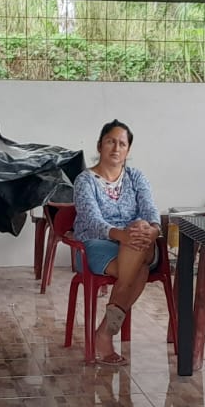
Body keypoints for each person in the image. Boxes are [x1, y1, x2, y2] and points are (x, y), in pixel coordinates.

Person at [71, 119, 161, 366]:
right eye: (110, 141)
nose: (116, 148)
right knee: (139, 269)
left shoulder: (136, 177)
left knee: (141, 227)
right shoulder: (85, 180)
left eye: (122, 144)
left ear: (128, 150)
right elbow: (93, 220)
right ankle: (104, 333)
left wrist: (153, 230)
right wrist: (122, 235)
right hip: (95, 245)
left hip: (135, 242)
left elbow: (150, 209)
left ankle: (104, 333)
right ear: (99, 145)